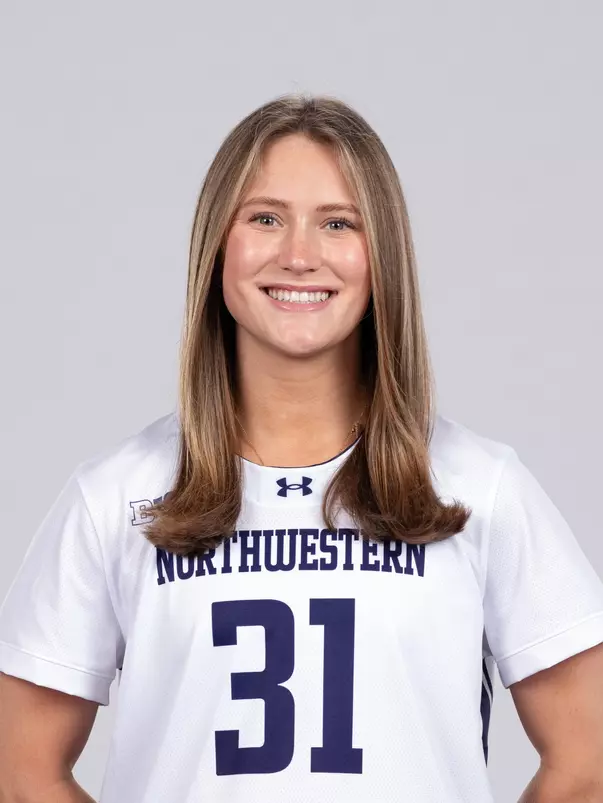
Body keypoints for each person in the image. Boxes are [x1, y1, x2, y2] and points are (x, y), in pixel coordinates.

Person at [1, 94, 603, 803]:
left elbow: (584, 758)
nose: (297, 255)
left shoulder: (478, 486)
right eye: (264, 217)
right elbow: (22, 767)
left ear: (381, 253)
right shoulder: (114, 495)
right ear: (216, 245)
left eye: (337, 223)